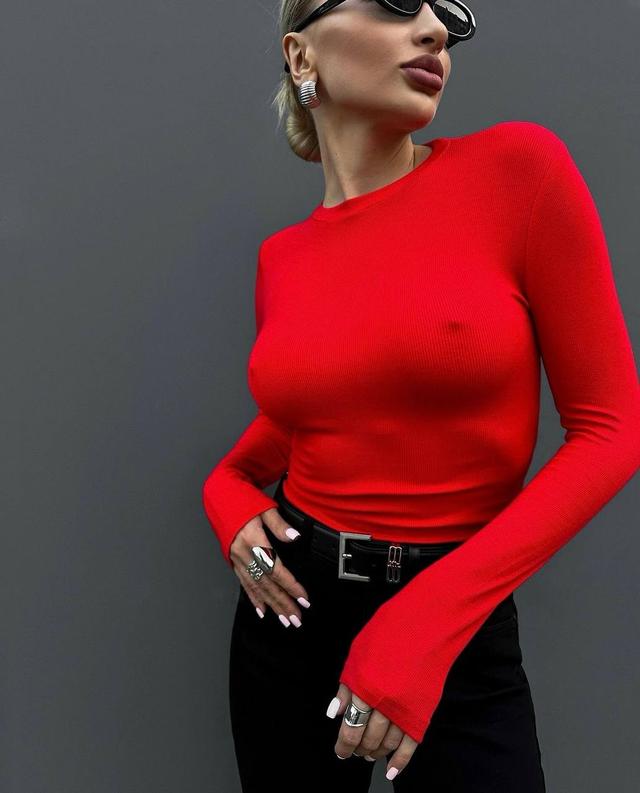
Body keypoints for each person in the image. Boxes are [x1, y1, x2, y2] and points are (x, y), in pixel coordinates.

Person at [202, 2, 640, 790]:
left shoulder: (519, 171)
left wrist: (425, 621)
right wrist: (225, 494)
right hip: (293, 618)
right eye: (397, 1)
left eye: (447, 17)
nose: (436, 28)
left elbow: (612, 428)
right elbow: (300, 426)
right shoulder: (281, 259)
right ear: (301, 57)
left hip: (457, 616)